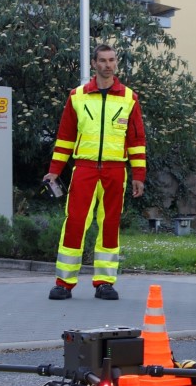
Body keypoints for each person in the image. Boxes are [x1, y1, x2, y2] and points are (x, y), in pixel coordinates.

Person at [43, 44, 146, 301]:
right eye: (102, 60)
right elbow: (65, 137)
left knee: (110, 225)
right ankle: (64, 282)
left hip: (116, 169)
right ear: (94, 64)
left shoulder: (129, 98)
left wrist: (139, 176)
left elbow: (136, 140)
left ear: (116, 63)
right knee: (75, 222)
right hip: (85, 168)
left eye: (111, 60)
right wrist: (54, 171)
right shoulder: (77, 96)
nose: (107, 65)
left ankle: (105, 283)